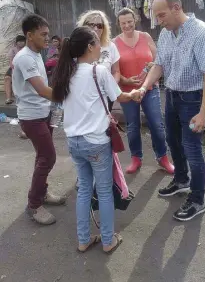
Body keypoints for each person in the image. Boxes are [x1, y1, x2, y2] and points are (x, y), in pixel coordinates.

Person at [132, 0, 205, 221]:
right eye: (157, 17)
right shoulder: (166, 35)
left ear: (176, 8)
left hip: (193, 99)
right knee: (173, 142)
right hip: (171, 95)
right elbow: (159, 65)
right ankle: (181, 180)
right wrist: (144, 86)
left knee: (192, 149)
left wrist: (203, 113)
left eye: (161, 15)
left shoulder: (201, 33)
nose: (159, 21)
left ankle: (198, 200)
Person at [52, 26, 136, 253]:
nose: (101, 47)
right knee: (105, 191)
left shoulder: (65, 74)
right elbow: (120, 97)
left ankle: (83, 239)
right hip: (97, 142)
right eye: (98, 43)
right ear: (90, 47)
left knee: (85, 190)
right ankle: (108, 241)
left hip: (74, 143)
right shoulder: (98, 71)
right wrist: (136, 93)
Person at [12, 14, 66, 226]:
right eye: (43, 34)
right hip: (31, 117)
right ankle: (34, 205)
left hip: (43, 114)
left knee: (42, 157)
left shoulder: (36, 54)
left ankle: (41, 193)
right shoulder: (25, 57)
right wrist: (68, 97)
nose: (47, 38)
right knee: (48, 157)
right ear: (29, 34)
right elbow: (42, 90)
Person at [114, 7, 174, 175]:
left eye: (130, 22)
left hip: (149, 88)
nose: (127, 25)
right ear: (119, 24)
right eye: (123, 23)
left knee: (156, 123)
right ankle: (136, 158)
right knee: (132, 126)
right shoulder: (114, 43)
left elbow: (158, 58)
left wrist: (151, 64)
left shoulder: (145, 37)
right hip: (128, 91)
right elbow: (115, 70)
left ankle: (162, 157)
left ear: (135, 21)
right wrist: (126, 80)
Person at [77, 10, 120, 111]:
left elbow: (116, 71)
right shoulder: (77, 46)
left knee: (104, 123)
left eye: (100, 25)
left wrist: (111, 87)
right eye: (91, 25)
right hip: (84, 96)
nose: (96, 28)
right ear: (84, 26)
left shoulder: (111, 46)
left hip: (105, 95)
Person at [4, 35, 26, 105]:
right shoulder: (13, 49)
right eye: (19, 41)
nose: (20, 43)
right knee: (7, 78)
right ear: (16, 42)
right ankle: (8, 98)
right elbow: (11, 62)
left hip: (24, 68)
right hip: (14, 68)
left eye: (22, 41)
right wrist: (13, 68)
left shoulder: (27, 49)